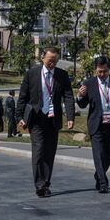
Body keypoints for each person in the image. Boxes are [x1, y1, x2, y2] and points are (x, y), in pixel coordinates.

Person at [16, 47, 75, 198]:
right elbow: (23, 97)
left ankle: (46, 183)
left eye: (55, 61)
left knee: (49, 153)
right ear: (43, 58)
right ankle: (39, 185)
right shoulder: (32, 74)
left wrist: (70, 117)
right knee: (38, 151)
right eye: (50, 61)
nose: (52, 64)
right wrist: (20, 118)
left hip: (53, 119)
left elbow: (68, 96)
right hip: (36, 118)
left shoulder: (62, 75)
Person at [76, 56, 110, 193]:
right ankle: (102, 182)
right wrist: (80, 96)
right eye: (99, 71)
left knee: (109, 154)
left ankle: (98, 174)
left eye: (105, 71)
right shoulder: (89, 84)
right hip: (96, 125)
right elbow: (83, 105)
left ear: (109, 69)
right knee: (98, 154)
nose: (102, 74)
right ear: (95, 70)